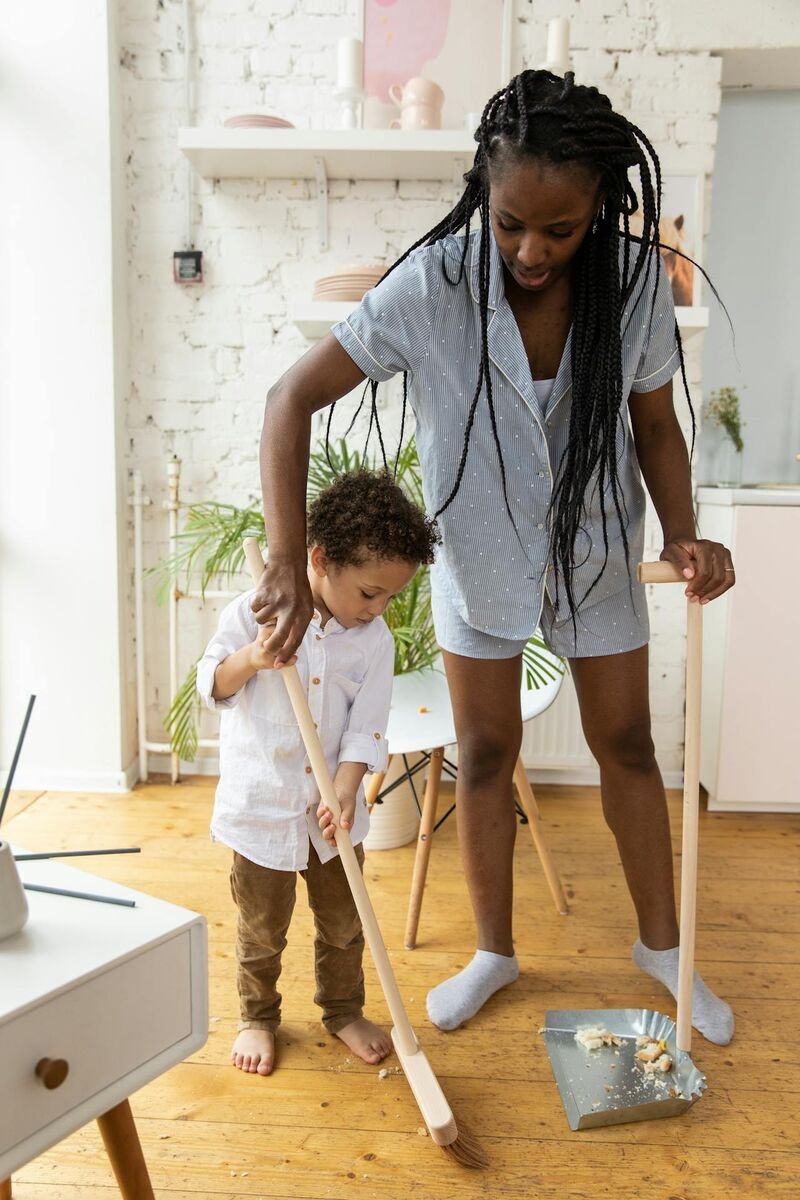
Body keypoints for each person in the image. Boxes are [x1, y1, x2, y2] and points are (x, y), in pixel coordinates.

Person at [251, 70, 736, 1046]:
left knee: (627, 749)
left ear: (598, 207)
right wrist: (280, 557)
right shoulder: (430, 288)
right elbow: (288, 400)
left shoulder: (633, 282)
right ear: (483, 190)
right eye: (511, 222)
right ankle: (492, 952)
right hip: (478, 557)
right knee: (480, 756)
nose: (529, 249)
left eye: (558, 231)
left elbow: (652, 423)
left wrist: (681, 528)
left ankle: (658, 948)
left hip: (597, 549)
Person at [198, 471, 440, 1075]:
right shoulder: (254, 609)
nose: (378, 609)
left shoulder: (373, 641)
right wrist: (254, 657)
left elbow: (368, 726)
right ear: (320, 559)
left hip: (334, 813)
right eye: (368, 593)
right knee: (262, 929)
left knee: (343, 923)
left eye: (390, 597)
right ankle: (258, 1017)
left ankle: (342, 1010)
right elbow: (211, 685)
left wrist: (346, 786)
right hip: (263, 809)